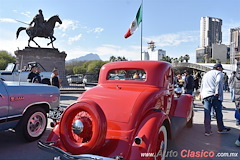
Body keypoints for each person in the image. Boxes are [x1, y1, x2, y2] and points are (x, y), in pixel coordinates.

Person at [200, 63, 231, 136]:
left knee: (207, 113)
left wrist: (202, 96)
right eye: (221, 68)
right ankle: (220, 128)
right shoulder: (219, 73)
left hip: (206, 95)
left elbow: (202, 85)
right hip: (214, 95)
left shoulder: (206, 74)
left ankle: (207, 130)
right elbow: (218, 81)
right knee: (218, 113)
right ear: (218, 68)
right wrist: (217, 92)